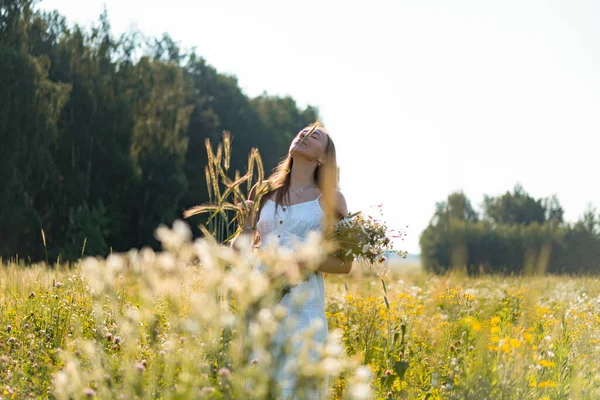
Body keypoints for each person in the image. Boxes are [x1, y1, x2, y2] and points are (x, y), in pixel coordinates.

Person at [232, 122, 352, 399]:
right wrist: (248, 229)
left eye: (315, 136)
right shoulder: (262, 192)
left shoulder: (332, 199)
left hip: (304, 311)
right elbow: (241, 257)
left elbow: (344, 264)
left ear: (323, 157)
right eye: (303, 132)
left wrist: (306, 261)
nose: (304, 135)